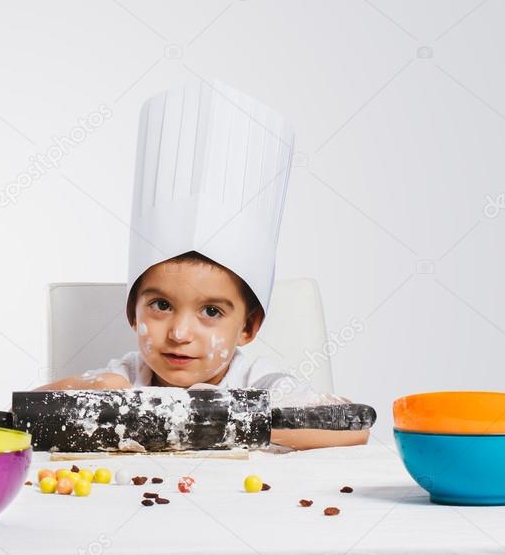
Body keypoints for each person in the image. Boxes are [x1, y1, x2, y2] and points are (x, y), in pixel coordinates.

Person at [37, 81, 368, 450]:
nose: (179, 333)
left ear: (248, 326)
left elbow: (353, 426)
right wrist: (95, 389)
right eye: (161, 305)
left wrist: (222, 419)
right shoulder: (127, 380)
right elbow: (24, 417)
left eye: (210, 311)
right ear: (133, 312)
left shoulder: (259, 384)